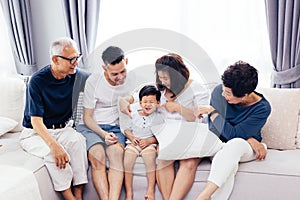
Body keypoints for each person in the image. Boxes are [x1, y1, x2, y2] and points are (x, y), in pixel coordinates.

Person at [19, 37, 90, 200]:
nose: (76, 62)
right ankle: (69, 197)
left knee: (78, 142)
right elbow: (36, 122)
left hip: (63, 128)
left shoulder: (76, 75)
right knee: (53, 154)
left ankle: (78, 195)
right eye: (71, 59)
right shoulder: (37, 81)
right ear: (55, 60)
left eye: (77, 57)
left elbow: (101, 81)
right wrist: (54, 145)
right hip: (36, 133)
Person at [195, 61, 271, 200]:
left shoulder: (262, 108)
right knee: (228, 165)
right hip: (220, 145)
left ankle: (203, 196)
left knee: (235, 143)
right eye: (224, 89)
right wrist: (247, 136)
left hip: (248, 149)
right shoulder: (219, 91)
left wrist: (213, 112)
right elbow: (215, 130)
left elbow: (233, 135)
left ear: (245, 95)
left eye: (228, 93)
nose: (224, 95)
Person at [76, 46, 135, 200]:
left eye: (123, 71)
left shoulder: (131, 79)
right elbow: (87, 117)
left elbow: (137, 95)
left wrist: (126, 100)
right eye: (114, 74)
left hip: (115, 128)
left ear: (126, 62)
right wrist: (102, 134)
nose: (120, 77)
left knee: (116, 154)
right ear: (104, 68)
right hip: (92, 127)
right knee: (98, 155)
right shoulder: (93, 82)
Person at [154, 53, 211, 200]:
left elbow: (202, 118)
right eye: (160, 77)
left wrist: (178, 108)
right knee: (163, 155)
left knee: (189, 161)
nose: (163, 81)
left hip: (192, 134)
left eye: (166, 78)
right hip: (167, 136)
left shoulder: (195, 87)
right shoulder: (159, 92)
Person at [120, 85, 165, 200]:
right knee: (127, 161)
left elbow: (160, 135)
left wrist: (149, 141)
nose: (148, 105)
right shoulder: (134, 114)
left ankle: (150, 190)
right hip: (133, 143)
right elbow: (126, 129)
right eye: (145, 102)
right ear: (140, 103)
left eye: (151, 102)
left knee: (150, 158)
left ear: (158, 102)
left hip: (149, 144)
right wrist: (132, 138)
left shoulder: (159, 117)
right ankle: (129, 192)